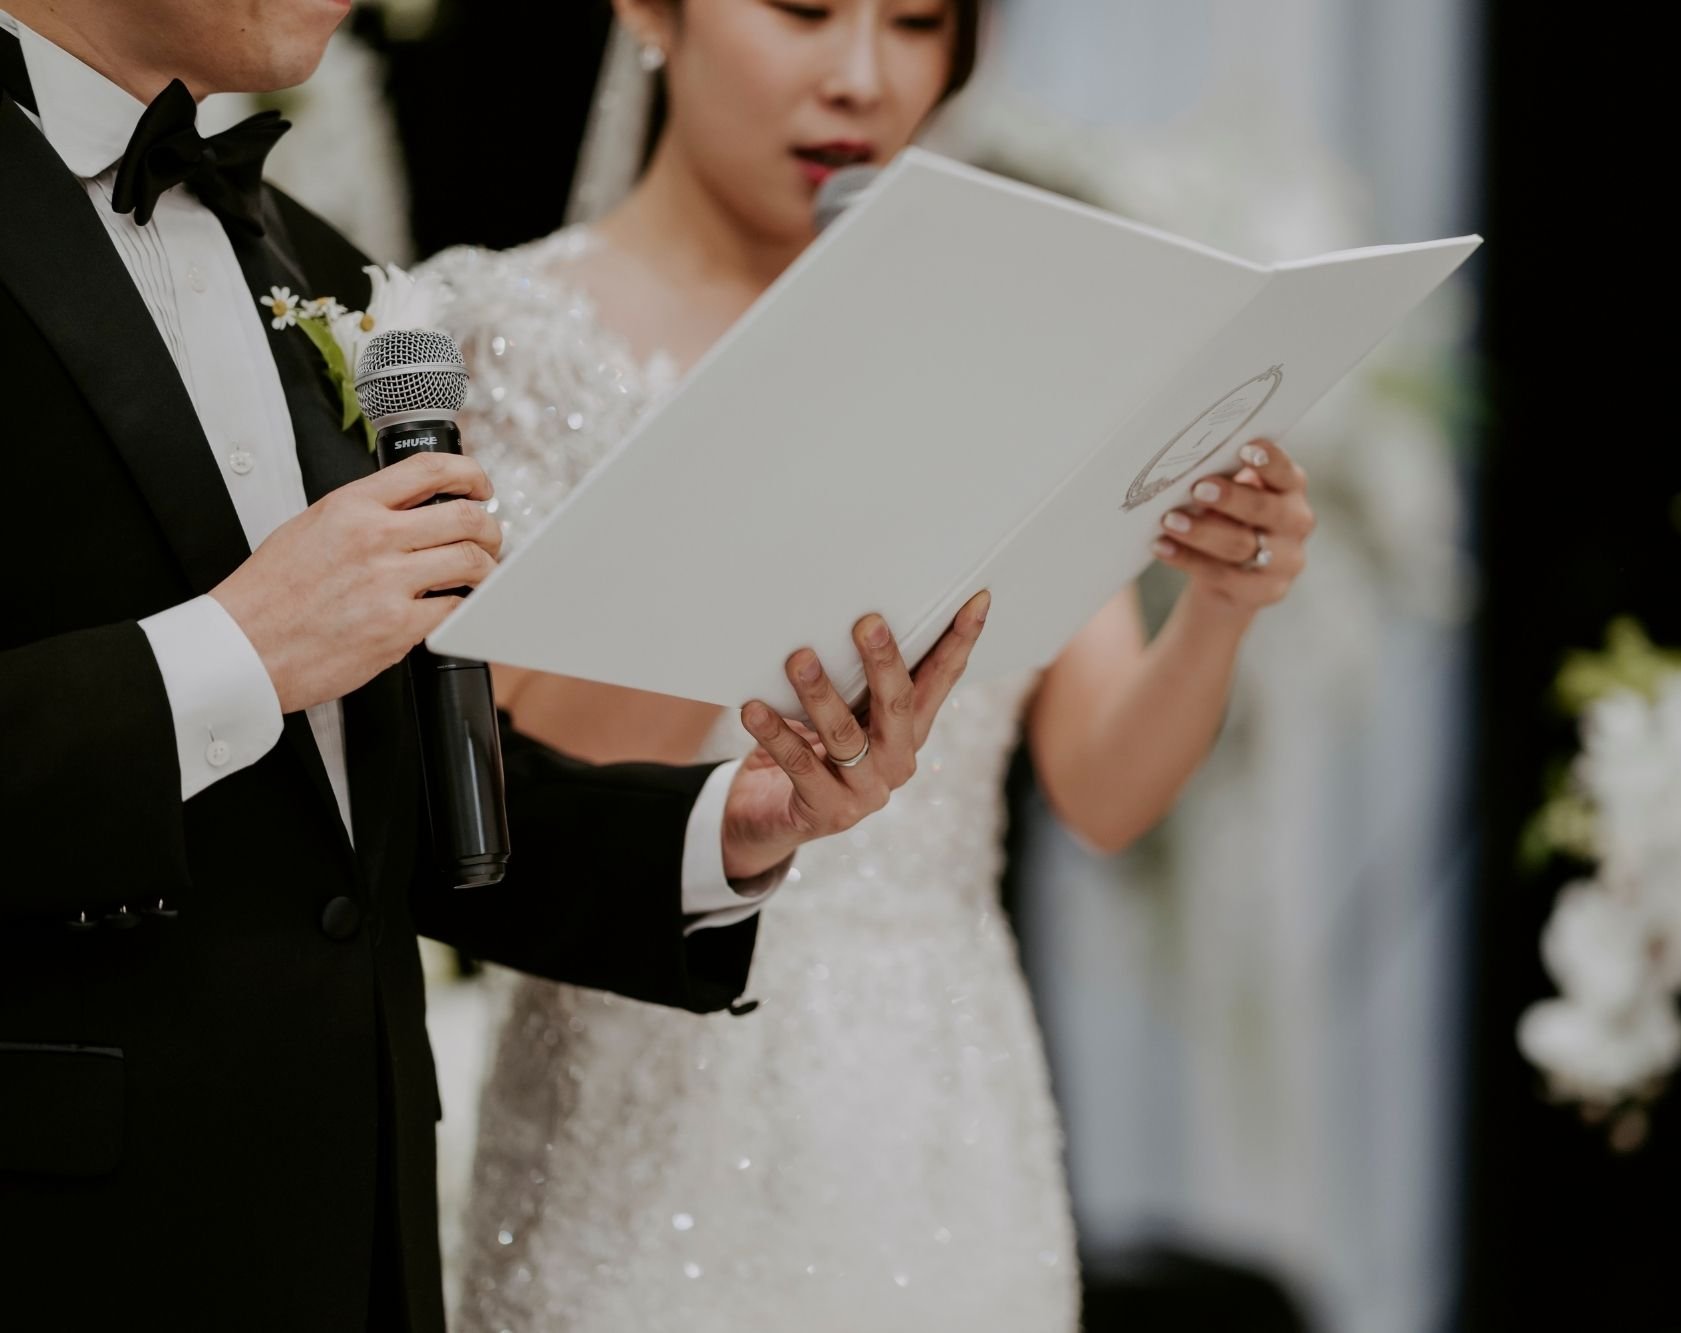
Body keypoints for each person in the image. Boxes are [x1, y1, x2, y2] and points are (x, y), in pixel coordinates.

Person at [0, 3, 984, 1329]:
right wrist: (231, 653)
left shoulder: (320, 269)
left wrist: (730, 824)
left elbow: (401, 803)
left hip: (359, 1246)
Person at [424, 1, 1321, 1328]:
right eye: (801, 10)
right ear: (650, 13)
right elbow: (505, 801)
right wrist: (791, 461)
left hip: (940, 1110)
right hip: (635, 1093)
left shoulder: (1005, 343)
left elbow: (1104, 787)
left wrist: (1221, 608)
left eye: (913, 23)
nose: (859, 80)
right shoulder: (493, 330)